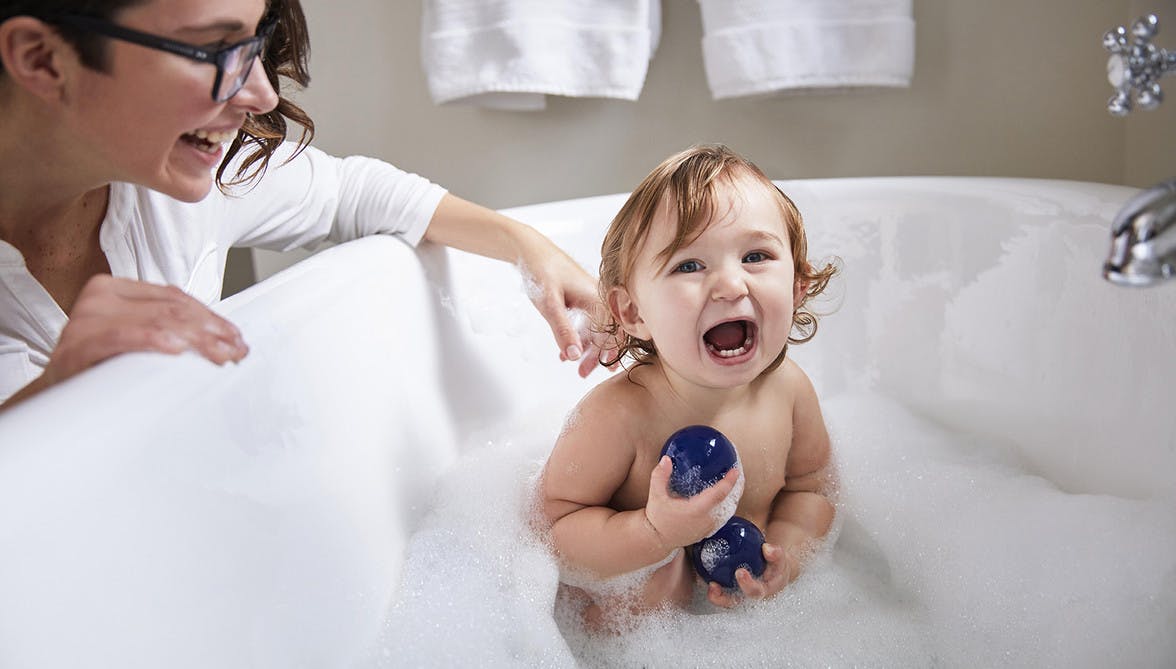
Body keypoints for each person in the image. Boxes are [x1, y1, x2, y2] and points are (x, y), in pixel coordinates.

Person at [0, 0, 605, 409]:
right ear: (41, 59)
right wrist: (54, 394)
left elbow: (349, 192)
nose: (262, 93)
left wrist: (530, 247)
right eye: (212, 51)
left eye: (254, 43)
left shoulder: (192, 180)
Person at [538, 144, 839, 628]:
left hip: (740, 621)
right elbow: (554, 527)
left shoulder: (790, 391)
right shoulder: (620, 415)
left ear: (797, 286)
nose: (731, 285)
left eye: (756, 256)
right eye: (689, 265)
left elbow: (813, 488)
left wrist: (787, 559)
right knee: (656, 586)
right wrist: (652, 533)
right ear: (632, 312)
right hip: (638, 615)